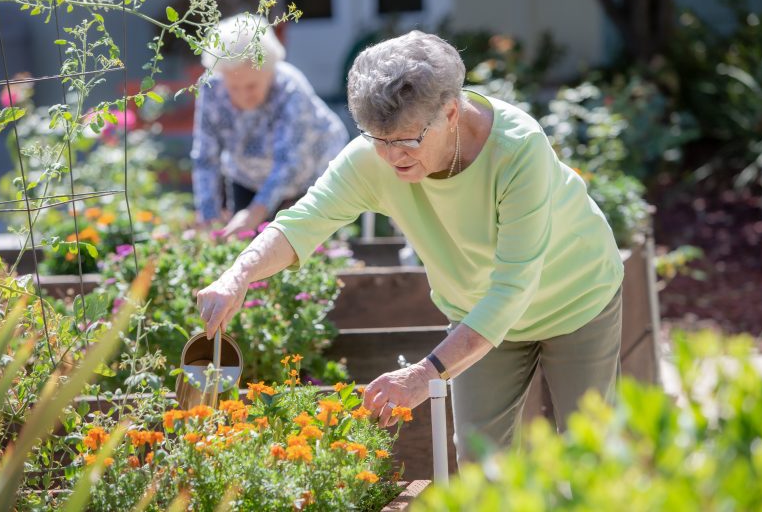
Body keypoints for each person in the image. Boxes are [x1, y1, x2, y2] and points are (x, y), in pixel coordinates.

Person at [197, 31, 624, 464]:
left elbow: (513, 288)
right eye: (378, 139)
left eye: (406, 140)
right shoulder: (372, 156)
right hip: (477, 314)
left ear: (452, 112)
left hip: (575, 298)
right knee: (480, 461)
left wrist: (425, 374)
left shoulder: (517, 149)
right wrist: (239, 274)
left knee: (591, 453)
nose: (391, 156)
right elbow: (301, 223)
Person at [190, 14, 349, 237]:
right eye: (234, 87)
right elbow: (205, 157)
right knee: (244, 242)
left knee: (309, 245)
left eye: (252, 85)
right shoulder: (210, 87)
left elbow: (288, 164)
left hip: (310, 174)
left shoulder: (290, 87)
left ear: (270, 68)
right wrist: (209, 216)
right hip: (248, 175)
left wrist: (254, 213)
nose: (244, 95)